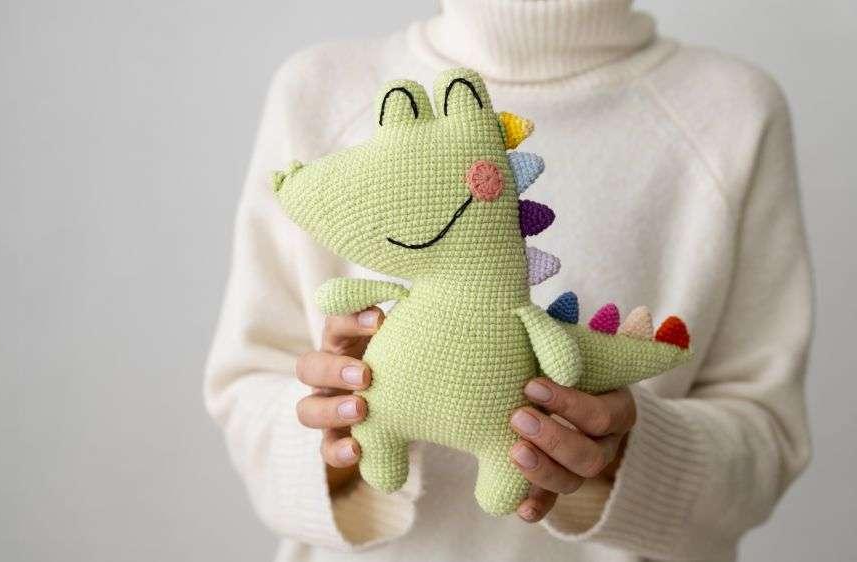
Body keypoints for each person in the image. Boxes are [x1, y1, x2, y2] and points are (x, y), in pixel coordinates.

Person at [204, 0, 813, 560]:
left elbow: (770, 439)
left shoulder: (733, 108)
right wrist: (335, 440)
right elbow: (244, 387)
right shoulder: (318, 87)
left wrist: (622, 458)